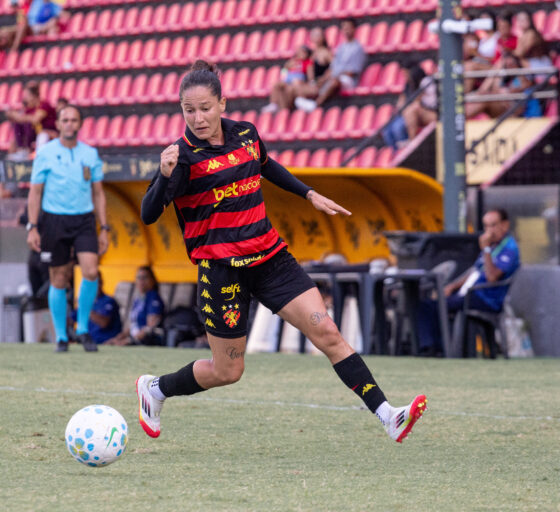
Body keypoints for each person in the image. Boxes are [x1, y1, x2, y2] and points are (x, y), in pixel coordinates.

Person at [134, 60, 427, 443]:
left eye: (205, 108)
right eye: (189, 110)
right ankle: (155, 389)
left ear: (223, 104)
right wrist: (166, 175)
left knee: (329, 333)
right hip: (222, 271)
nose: (198, 118)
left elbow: (267, 166)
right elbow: (148, 213)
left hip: (270, 258)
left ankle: (389, 415)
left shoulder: (246, 135)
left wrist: (309, 193)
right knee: (227, 372)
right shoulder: (182, 158)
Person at [26, 105, 110, 352]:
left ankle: (82, 329)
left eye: (74, 120)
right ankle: (62, 336)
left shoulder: (90, 154)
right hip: (54, 220)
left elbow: (98, 192)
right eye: (65, 120)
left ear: (80, 124)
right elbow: (35, 192)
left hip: (84, 220)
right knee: (59, 277)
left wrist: (104, 227)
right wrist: (32, 226)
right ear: (59, 124)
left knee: (91, 271)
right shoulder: (45, 153)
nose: (70, 124)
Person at [418, 209, 520, 353]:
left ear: (505, 225)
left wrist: (485, 250)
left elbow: (491, 277)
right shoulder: (492, 245)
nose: (489, 230)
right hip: (471, 293)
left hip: (487, 298)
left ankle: (434, 348)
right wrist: (452, 287)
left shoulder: (509, 248)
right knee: (431, 303)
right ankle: (435, 347)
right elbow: (475, 271)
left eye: (493, 225)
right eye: (486, 226)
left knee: (436, 305)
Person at [294, 19, 366, 112]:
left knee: (334, 81)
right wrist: (324, 78)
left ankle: (316, 104)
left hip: (349, 79)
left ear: (354, 29)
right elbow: (333, 67)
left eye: (348, 28)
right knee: (321, 81)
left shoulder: (358, 48)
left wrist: (334, 75)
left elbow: (352, 71)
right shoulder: (341, 47)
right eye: (344, 28)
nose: (346, 31)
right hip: (336, 76)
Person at [106, 266, 165, 346]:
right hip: (134, 339)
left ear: (152, 280)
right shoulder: (138, 299)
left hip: (147, 341)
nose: (141, 281)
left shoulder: (153, 297)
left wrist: (129, 341)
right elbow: (133, 325)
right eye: (138, 278)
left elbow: (149, 328)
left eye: (144, 277)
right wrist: (118, 338)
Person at [5, 81, 57, 161]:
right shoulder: (29, 109)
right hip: (35, 135)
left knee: (42, 135)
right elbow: (21, 119)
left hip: (50, 135)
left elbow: (36, 119)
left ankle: (40, 158)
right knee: (19, 125)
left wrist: (19, 116)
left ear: (33, 96)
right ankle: (22, 150)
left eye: (26, 96)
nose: (24, 98)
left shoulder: (44, 105)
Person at [261, 45, 312, 113]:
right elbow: (284, 71)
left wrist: (310, 81)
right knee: (276, 85)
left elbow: (309, 74)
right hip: (289, 78)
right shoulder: (293, 61)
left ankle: (298, 100)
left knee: (294, 83)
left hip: (299, 78)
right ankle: (273, 104)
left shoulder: (307, 62)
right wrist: (286, 68)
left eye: (303, 52)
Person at [78, 271, 123, 345]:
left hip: (107, 341)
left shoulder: (108, 301)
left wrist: (86, 309)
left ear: (101, 283)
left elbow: (103, 323)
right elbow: (71, 319)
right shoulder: (88, 301)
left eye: (95, 283)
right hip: (90, 342)